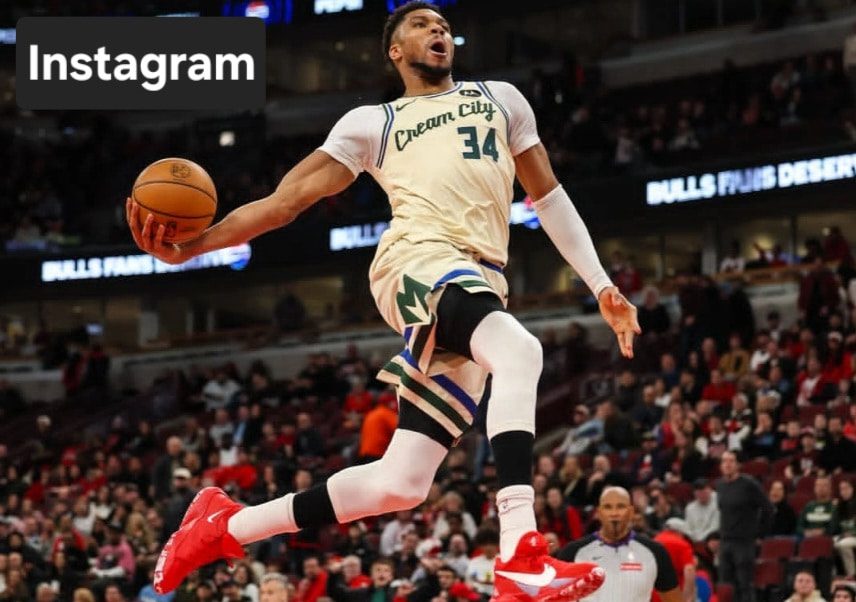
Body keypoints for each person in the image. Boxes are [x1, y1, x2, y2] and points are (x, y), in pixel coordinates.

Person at [136, 2, 638, 600]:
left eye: (444, 25)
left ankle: (224, 527)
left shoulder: (502, 100)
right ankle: (521, 552)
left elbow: (548, 197)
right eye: (422, 25)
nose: (438, 31)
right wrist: (196, 247)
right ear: (395, 50)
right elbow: (284, 201)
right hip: (418, 261)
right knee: (520, 351)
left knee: (401, 483)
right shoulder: (373, 122)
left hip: (480, 280)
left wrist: (601, 284)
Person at [556, 487, 682, 602]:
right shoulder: (572, 553)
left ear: (631, 512)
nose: (614, 513)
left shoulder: (655, 552)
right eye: (608, 507)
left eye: (620, 506)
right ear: (599, 513)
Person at [715, 451, 773, 602]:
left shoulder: (749, 484)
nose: (727, 465)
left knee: (744, 585)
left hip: (744, 541)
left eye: (731, 461)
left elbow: (768, 508)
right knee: (725, 584)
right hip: (725, 541)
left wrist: (760, 534)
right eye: (724, 461)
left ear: (738, 465)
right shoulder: (720, 485)